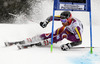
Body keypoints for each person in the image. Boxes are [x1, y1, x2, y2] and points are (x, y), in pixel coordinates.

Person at [5, 11, 83, 51]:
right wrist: (45, 22)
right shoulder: (65, 20)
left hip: (74, 36)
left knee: (62, 35)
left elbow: (79, 41)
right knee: (53, 33)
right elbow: (51, 17)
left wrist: (69, 45)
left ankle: (49, 41)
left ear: (69, 19)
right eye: (61, 19)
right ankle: (35, 38)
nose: (61, 21)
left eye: (63, 20)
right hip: (68, 29)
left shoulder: (76, 27)